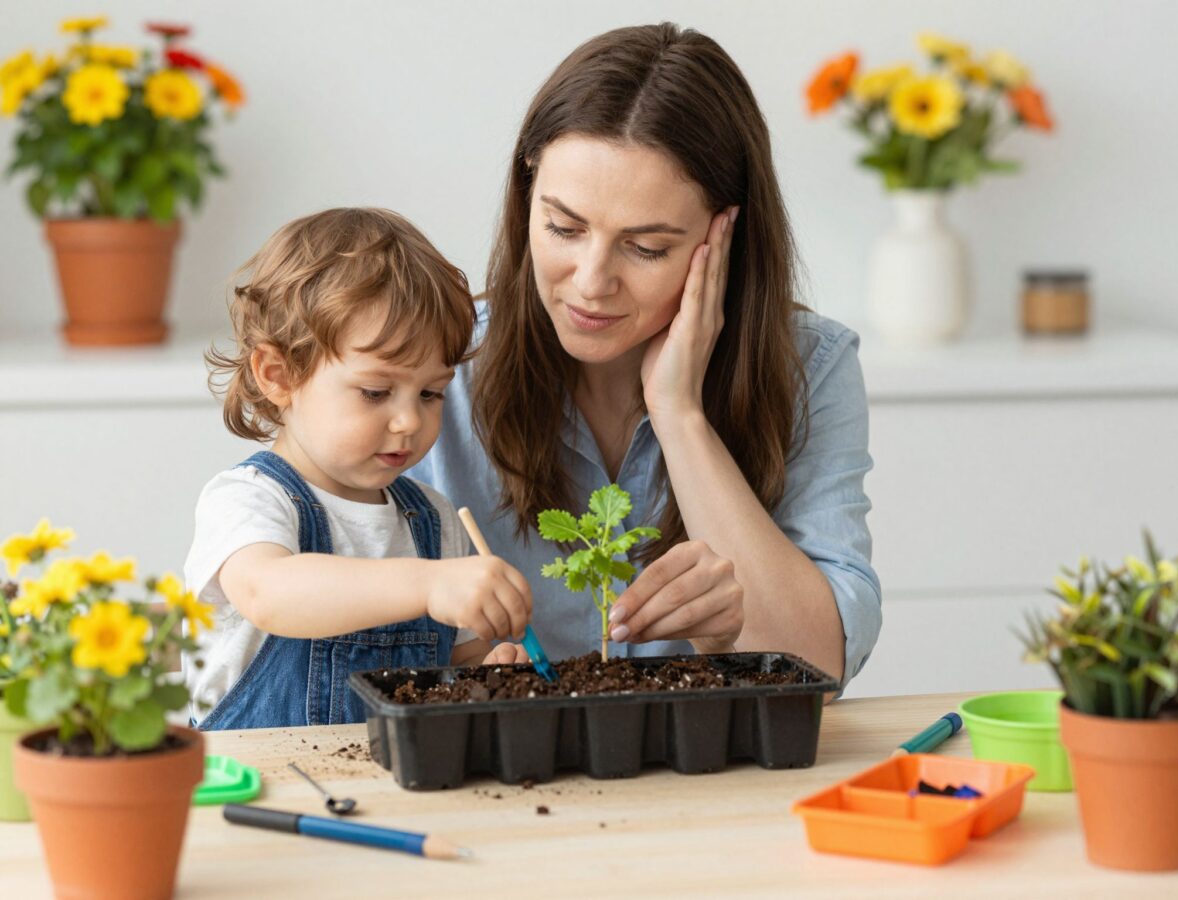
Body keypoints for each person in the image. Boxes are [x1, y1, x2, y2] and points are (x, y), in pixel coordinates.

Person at [409, 23, 881, 686]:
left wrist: (680, 413)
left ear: (726, 239)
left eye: (647, 248)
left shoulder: (813, 366)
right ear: (526, 197)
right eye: (564, 228)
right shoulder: (437, 362)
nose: (592, 281)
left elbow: (816, 669)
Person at [184, 207, 530, 729]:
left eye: (432, 393)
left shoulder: (432, 523)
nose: (409, 420)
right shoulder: (247, 500)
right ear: (279, 374)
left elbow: (457, 663)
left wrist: (490, 669)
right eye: (376, 392)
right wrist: (429, 586)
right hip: (256, 789)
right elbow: (270, 594)